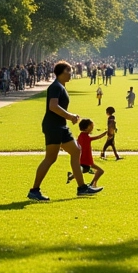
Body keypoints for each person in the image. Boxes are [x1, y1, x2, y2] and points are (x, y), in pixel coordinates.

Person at [28, 60, 102, 200]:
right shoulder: (55, 87)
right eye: (68, 71)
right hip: (53, 126)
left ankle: (82, 188)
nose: (70, 73)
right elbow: (53, 106)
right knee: (50, 158)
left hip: (60, 126)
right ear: (60, 73)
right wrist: (71, 116)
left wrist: (69, 118)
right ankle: (34, 190)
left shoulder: (60, 86)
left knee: (76, 150)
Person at [68, 118, 106, 188]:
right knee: (100, 171)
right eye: (91, 127)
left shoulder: (81, 136)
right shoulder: (86, 137)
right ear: (86, 128)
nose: (92, 128)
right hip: (87, 160)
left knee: (84, 170)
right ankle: (92, 184)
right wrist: (106, 133)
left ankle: (72, 176)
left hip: (82, 159)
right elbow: (98, 137)